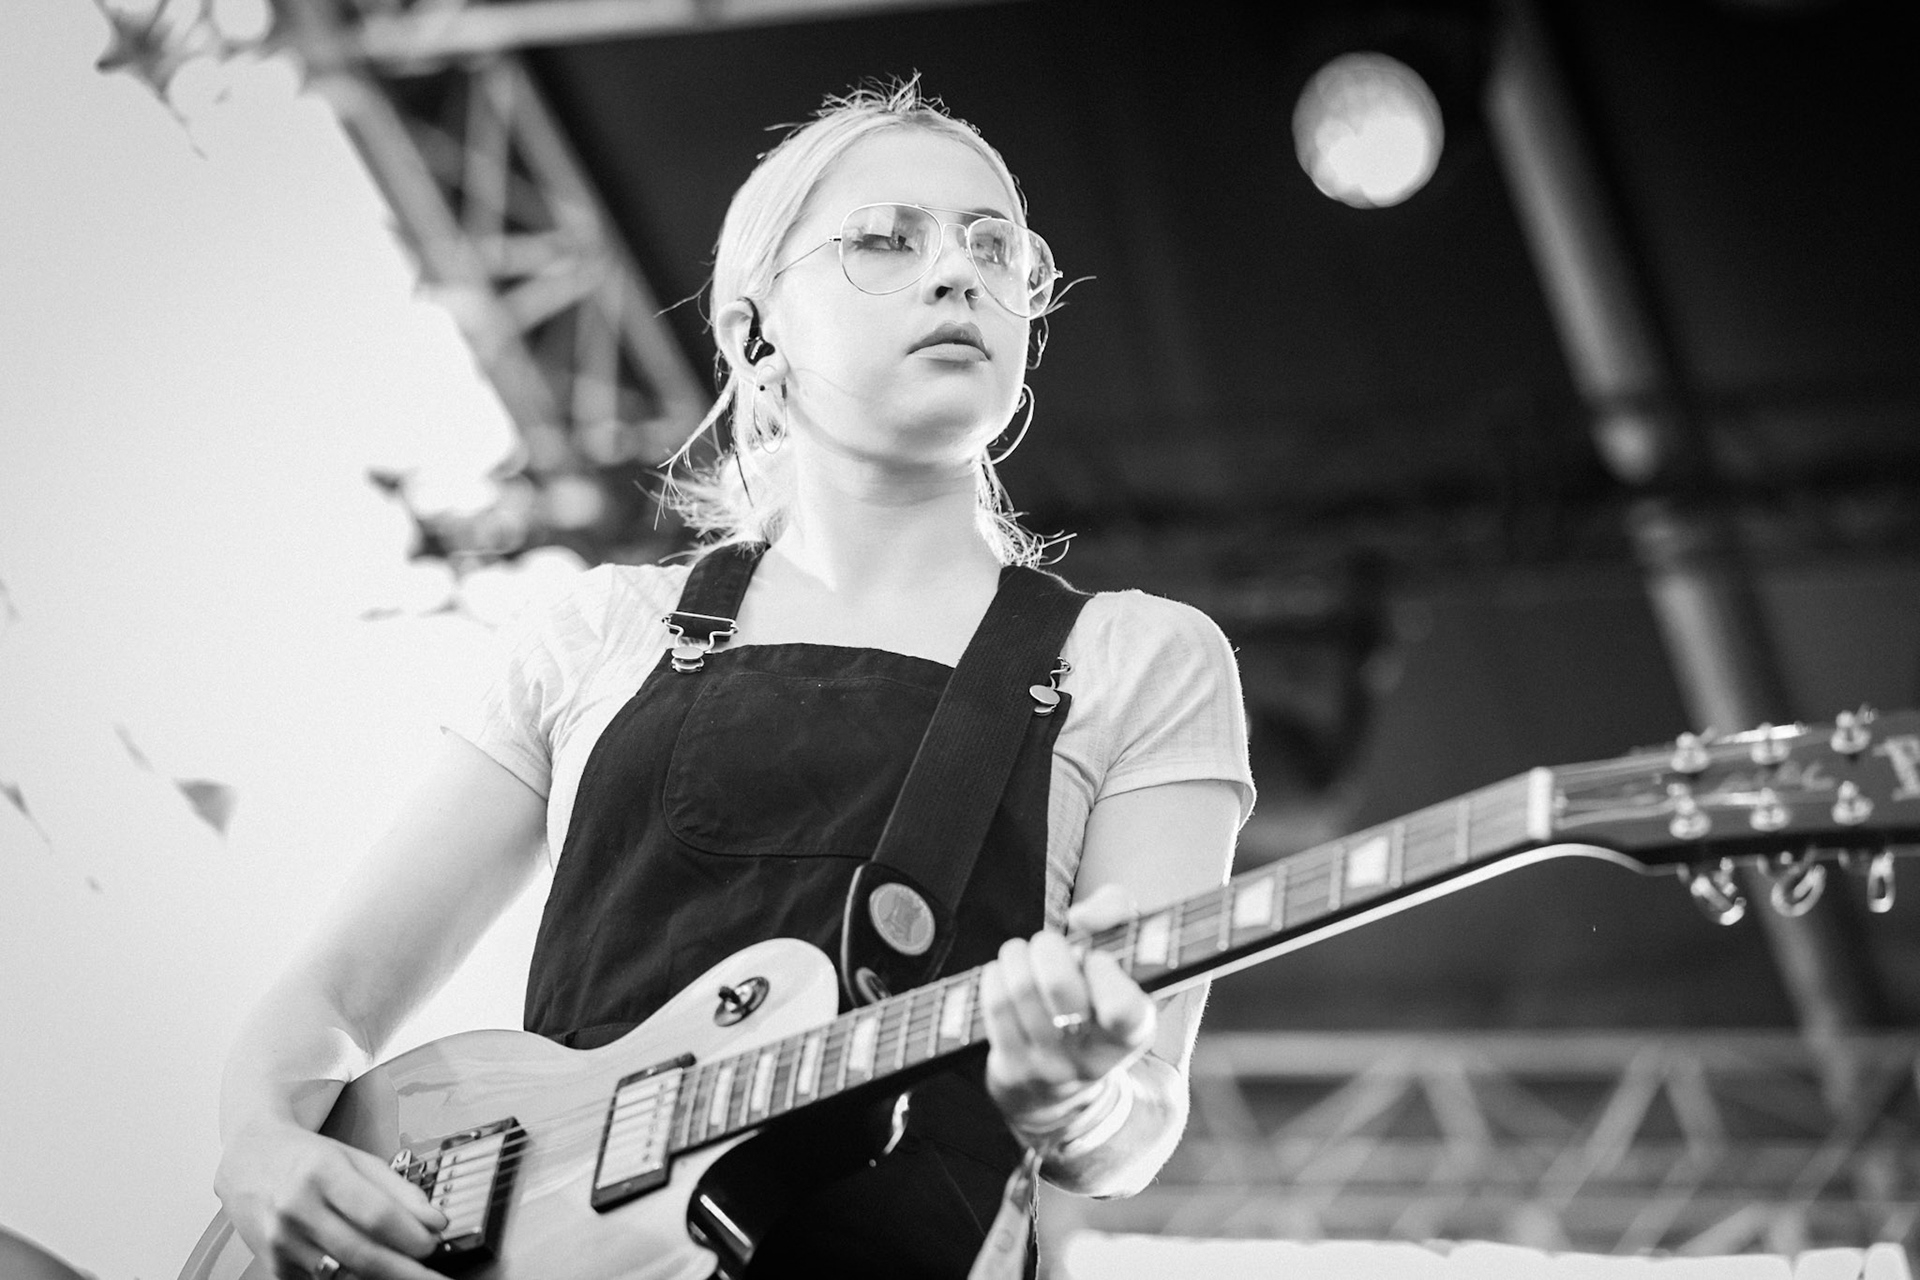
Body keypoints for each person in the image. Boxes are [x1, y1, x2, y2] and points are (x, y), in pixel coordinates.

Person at [212, 80, 1253, 1279]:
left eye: (996, 245)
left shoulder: (1142, 658)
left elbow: (1139, 1123)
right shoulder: (599, 629)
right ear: (756, 333)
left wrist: (1074, 1098)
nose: (960, 272)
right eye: (884, 238)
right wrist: (259, 1141)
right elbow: (335, 991)